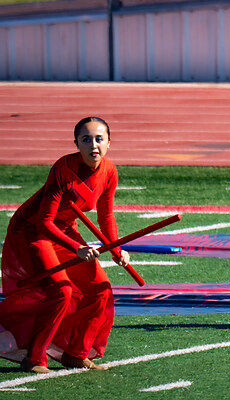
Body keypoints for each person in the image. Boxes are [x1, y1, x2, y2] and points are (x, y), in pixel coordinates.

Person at [0, 116, 129, 373]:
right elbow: (44, 222)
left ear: (109, 143)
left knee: (101, 290)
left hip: (65, 230)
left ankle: (75, 354)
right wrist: (76, 248)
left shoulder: (110, 171)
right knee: (61, 291)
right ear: (76, 144)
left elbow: (105, 216)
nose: (93, 145)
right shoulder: (63, 168)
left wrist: (116, 250)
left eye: (99, 139)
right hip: (32, 232)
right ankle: (35, 358)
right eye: (86, 139)